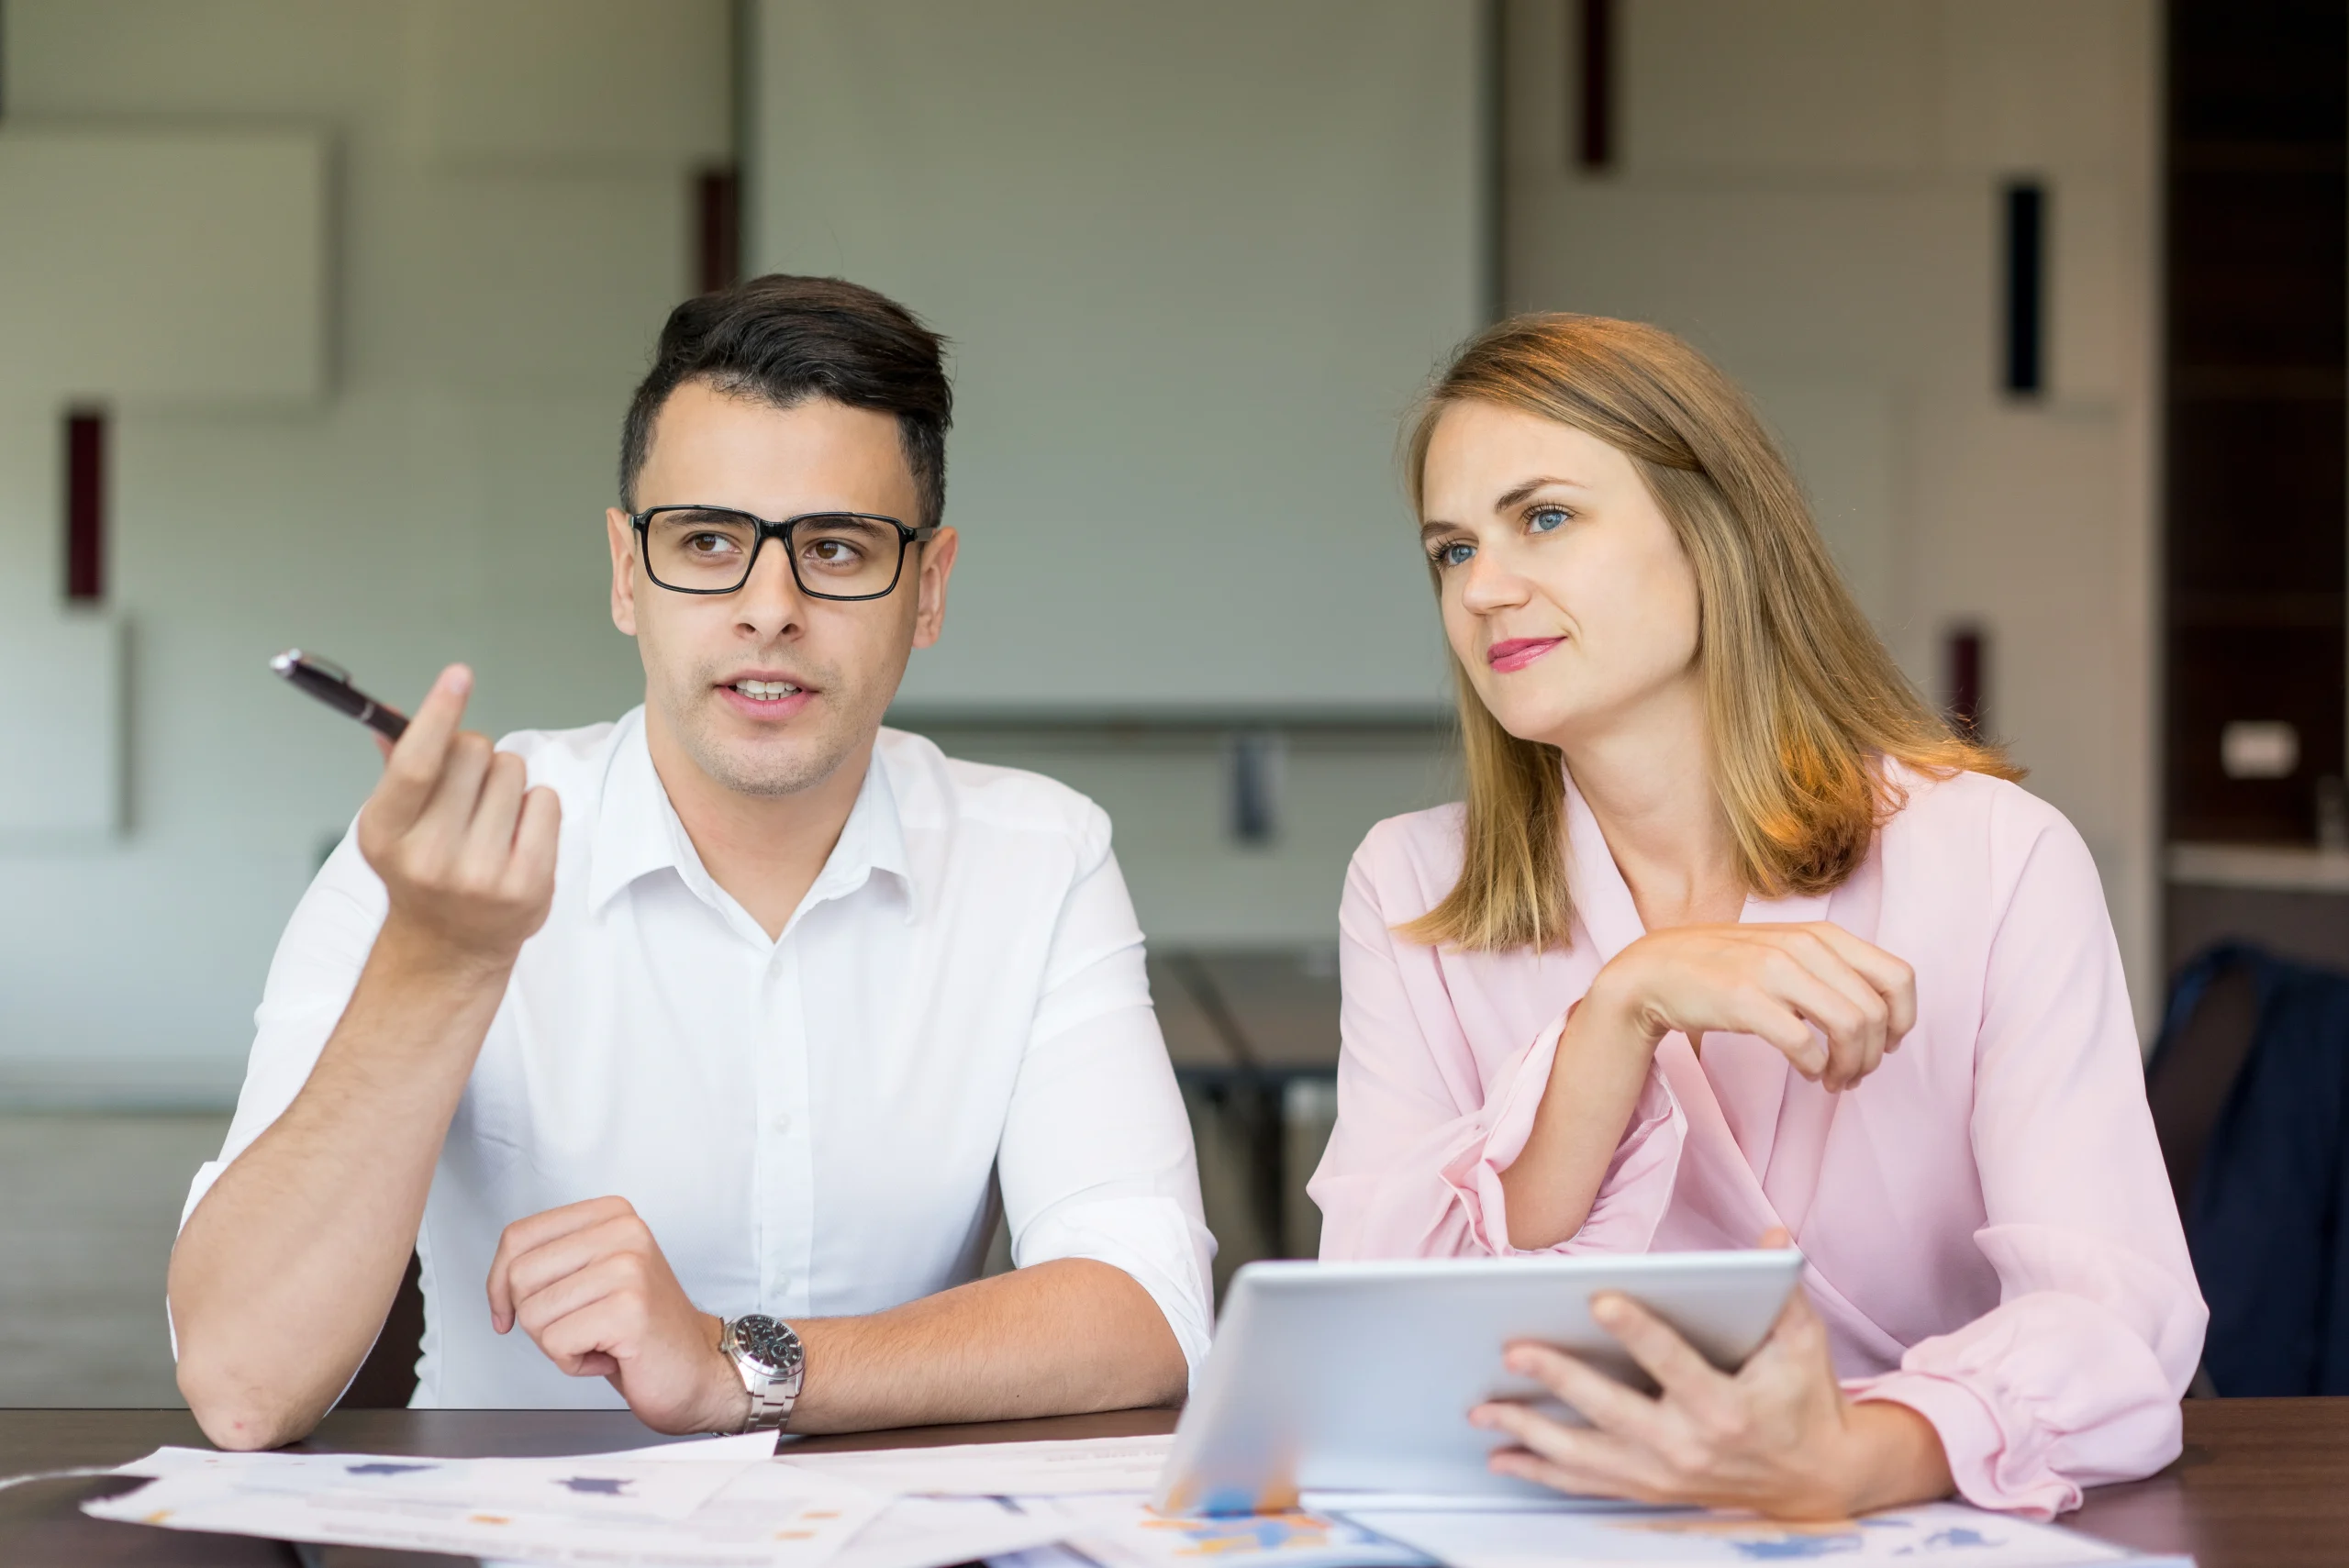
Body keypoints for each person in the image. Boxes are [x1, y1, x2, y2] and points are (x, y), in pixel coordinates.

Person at [170, 274, 1214, 1451]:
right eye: (708, 541)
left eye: (837, 547)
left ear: (928, 589)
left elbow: (1149, 1310)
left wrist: (736, 1363)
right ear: (627, 572)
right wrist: (439, 960)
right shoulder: (436, 867)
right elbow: (244, 1382)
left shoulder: (1039, 856)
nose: (770, 609)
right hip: (516, 1529)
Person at [1308, 314, 2204, 1520]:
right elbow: (1378, 1328)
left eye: (1546, 518)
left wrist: (1857, 1455)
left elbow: (2115, 1313)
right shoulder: (1411, 882)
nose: (1483, 589)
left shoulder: (1995, 858)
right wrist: (1619, 1010)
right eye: (1451, 548)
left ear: (1713, 529)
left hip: (1898, 1523)